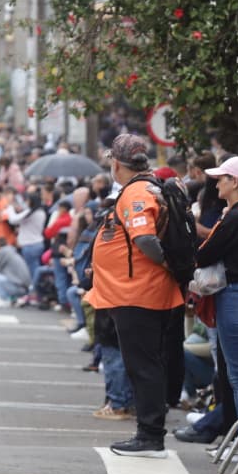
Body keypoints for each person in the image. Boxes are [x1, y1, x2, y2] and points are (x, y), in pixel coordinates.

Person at [86, 133, 186, 457]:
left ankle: (150, 436)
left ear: (117, 164)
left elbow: (144, 239)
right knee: (147, 363)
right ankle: (149, 433)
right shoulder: (147, 187)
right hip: (138, 292)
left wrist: (166, 263)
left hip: (138, 293)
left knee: (143, 366)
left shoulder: (136, 192)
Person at [175, 156, 238, 443]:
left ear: (234, 182)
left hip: (236, 298)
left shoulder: (237, 216)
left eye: (221, 179)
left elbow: (204, 254)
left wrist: (189, 225)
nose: (216, 185)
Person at [0, 238, 31, 306]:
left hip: (18, 288)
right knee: (0, 277)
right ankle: (12, 299)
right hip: (24, 287)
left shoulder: (3, 251)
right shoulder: (11, 251)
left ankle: (3, 299)